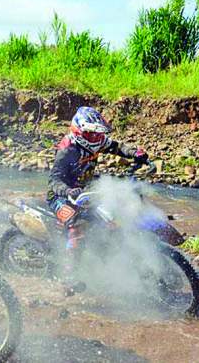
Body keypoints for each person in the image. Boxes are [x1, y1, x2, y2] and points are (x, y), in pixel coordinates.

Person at [46, 106, 147, 291]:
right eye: (91, 134)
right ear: (80, 131)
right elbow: (54, 180)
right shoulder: (67, 150)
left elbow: (117, 147)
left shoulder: (98, 140)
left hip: (85, 190)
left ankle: (105, 255)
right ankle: (68, 278)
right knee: (76, 226)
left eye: (97, 134)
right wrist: (68, 191)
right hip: (60, 197)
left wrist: (135, 153)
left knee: (110, 216)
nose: (96, 137)